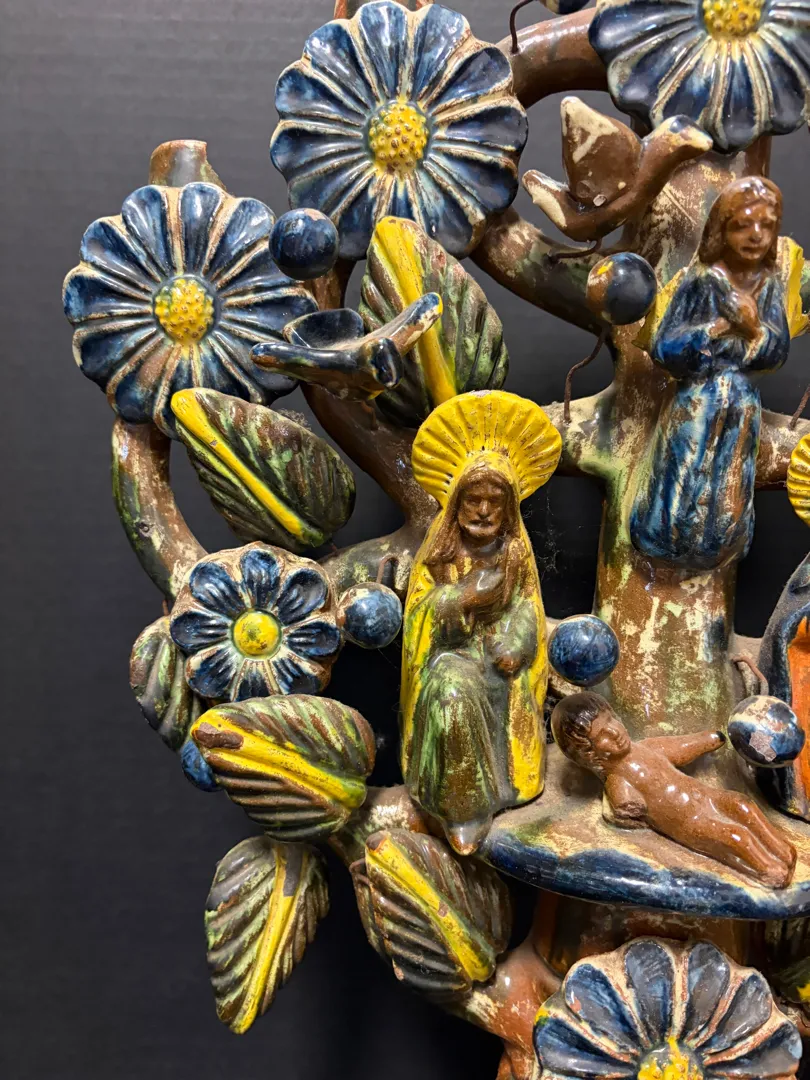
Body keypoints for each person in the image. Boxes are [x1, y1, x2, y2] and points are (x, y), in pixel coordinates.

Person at [401, 392, 561, 854]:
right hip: (448, 656)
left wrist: (516, 643)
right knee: (451, 690)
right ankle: (463, 806)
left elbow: (527, 609)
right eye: (473, 500)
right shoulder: (440, 556)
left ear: (509, 508)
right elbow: (417, 617)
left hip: (501, 662)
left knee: (485, 686)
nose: (484, 511)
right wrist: (461, 598)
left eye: (495, 501)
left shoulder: (514, 555)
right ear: (456, 504)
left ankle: (501, 790)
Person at [630, 176, 790, 570]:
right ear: (722, 229)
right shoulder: (703, 280)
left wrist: (753, 328)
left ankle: (718, 546)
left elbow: (777, 350)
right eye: (743, 225)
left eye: (766, 226)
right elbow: (665, 346)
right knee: (685, 470)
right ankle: (664, 539)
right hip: (697, 397)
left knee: (730, 476)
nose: (756, 236)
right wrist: (715, 329)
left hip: (741, 404)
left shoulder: (767, 285)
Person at [552, 692, 797, 889]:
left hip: (706, 796)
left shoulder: (647, 747)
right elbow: (622, 810)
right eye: (602, 735)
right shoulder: (618, 781)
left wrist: (707, 740)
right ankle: (768, 870)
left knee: (741, 804)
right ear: (589, 754)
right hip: (690, 822)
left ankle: (782, 850)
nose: (615, 732)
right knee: (735, 836)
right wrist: (626, 811)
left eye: (610, 721)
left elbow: (679, 748)